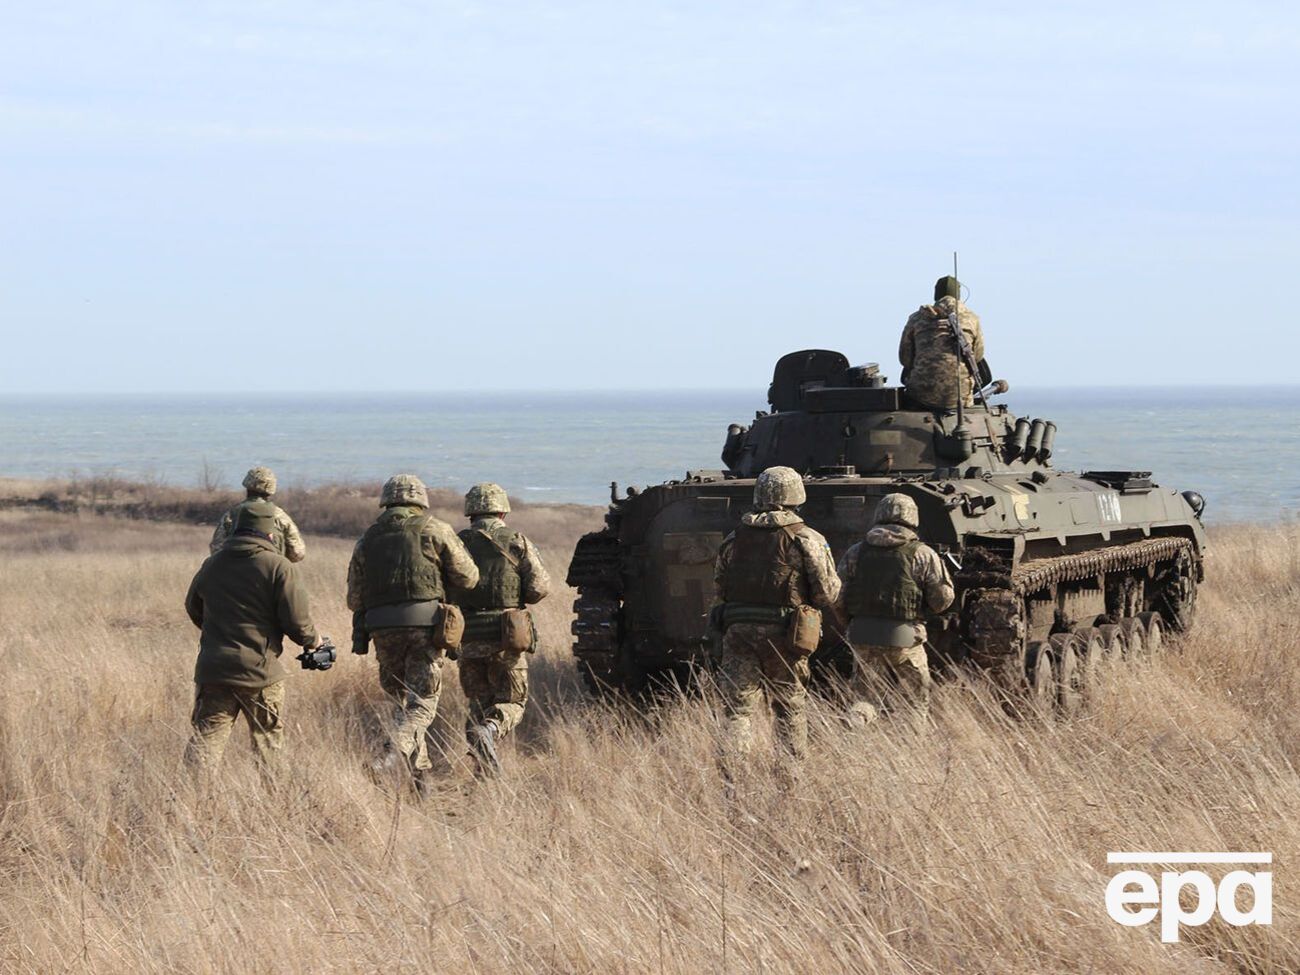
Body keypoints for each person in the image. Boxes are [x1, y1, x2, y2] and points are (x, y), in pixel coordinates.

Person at [346, 474, 479, 788]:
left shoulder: (367, 539)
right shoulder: (435, 529)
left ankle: (420, 781)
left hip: (381, 629)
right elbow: (469, 577)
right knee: (422, 704)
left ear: (386, 501)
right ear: (420, 501)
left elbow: (354, 598)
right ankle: (391, 753)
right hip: (424, 627)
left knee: (399, 705)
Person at [712, 466, 841, 773]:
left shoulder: (734, 538)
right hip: (787, 635)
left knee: (738, 710)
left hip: (738, 631)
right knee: (789, 708)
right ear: (797, 495)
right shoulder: (807, 538)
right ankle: (790, 776)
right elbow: (827, 593)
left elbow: (719, 586)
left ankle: (732, 775)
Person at [183, 499, 323, 777]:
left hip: (214, 670)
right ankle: (272, 806)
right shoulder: (278, 566)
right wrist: (314, 642)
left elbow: (193, 607)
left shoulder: (211, 565)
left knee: (206, 741)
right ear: (271, 533)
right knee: (268, 743)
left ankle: (190, 801)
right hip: (260, 673)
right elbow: (297, 622)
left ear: (235, 529)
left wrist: (219, 633)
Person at [446, 483, 551, 777]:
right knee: (512, 702)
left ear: (470, 512)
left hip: (467, 636)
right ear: (503, 510)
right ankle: (490, 731)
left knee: (478, 701)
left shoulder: (456, 543)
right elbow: (539, 589)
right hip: (506, 636)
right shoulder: (517, 541)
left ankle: (483, 771)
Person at [836, 492, 954, 726]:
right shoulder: (922, 553)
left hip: (862, 635)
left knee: (865, 695)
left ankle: (856, 720)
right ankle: (911, 747)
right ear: (913, 519)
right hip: (905, 639)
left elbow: (837, 596)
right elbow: (942, 600)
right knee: (915, 699)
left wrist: (849, 624)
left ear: (878, 516)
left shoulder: (856, 552)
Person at [898, 275, 985, 409]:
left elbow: (905, 359)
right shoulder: (972, 319)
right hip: (961, 398)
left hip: (920, 397)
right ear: (958, 295)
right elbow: (978, 356)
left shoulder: (916, 318)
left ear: (936, 295)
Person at [210, 466, 306, 562]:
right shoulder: (280, 517)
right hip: (271, 572)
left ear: (247, 487)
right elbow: (298, 553)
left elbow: (216, 550)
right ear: (271, 491)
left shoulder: (231, 515)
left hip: (236, 573)